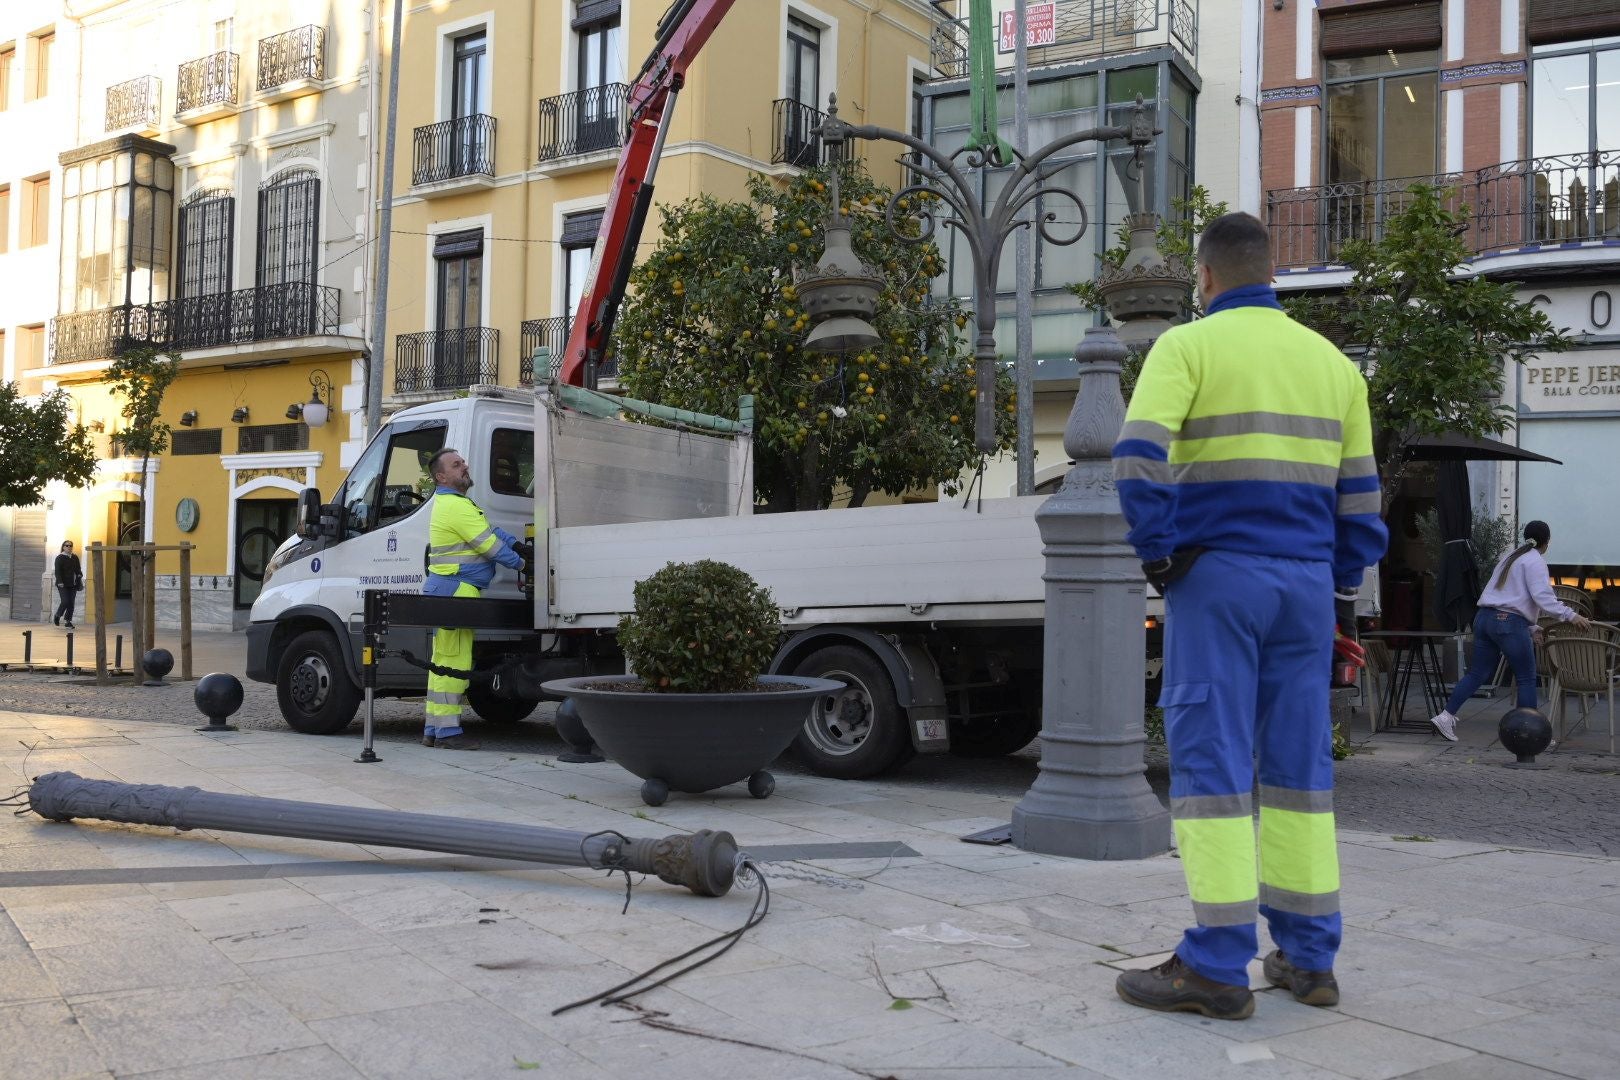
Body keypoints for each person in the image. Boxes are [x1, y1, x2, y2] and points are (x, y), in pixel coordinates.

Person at [1110, 212, 1389, 1020]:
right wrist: (1335, 582)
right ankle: (1308, 960)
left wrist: (1161, 554)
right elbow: (1363, 502)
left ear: (1204, 278)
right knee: (1300, 774)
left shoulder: (1187, 347)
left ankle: (1216, 966)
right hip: (1305, 589)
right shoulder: (1335, 366)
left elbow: (1137, 462)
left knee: (1213, 768)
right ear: (1274, 275)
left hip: (1218, 579)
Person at [1427, 520, 1589, 741]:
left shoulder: (1510, 557)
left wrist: (1530, 626)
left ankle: (1445, 716)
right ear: (1547, 542)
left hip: (1484, 619)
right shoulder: (1535, 561)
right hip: (1508, 622)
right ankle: (1530, 735)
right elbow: (1542, 598)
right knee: (1526, 678)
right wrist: (1572, 616)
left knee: (1477, 674)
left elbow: (1508, 596)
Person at [421, 448, 531, 750]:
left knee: (441, 662)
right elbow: (489, 546)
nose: (464, 466)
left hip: (446, 590)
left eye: (463, 462)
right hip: (457, 590)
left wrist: (516, 544)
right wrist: (523, 564)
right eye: (456, 465)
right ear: (441, 476)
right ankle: (447, 734)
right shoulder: (454, 506)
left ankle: (433, 728)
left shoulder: (456, 503)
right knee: (453, 664)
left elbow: (489, 531)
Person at [52, 541, 83, 630]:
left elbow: (78, 569)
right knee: (65, 601)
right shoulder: (60, 558)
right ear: (63, 547)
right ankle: (58, 615)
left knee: (71, 603)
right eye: (67, 545)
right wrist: (60, 582)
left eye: (71, 546)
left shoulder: (74, 557)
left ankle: (68, 621)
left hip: (73, 584)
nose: (69, 547)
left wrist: (79, 574)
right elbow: (57, 571)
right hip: (63, 584)